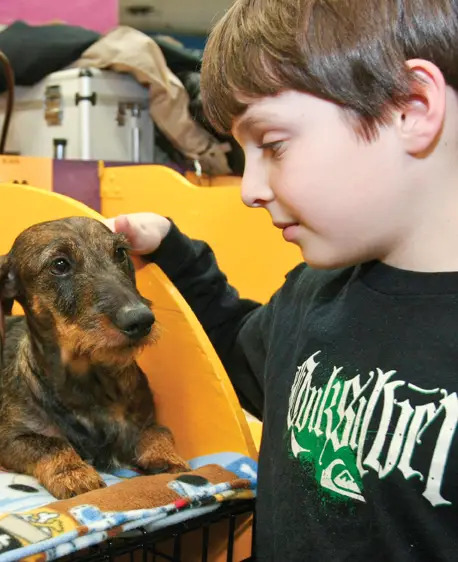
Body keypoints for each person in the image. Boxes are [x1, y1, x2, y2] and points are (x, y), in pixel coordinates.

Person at [106, 0, 458, 559]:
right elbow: (240, 351)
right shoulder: (310, 296)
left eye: (271, 144)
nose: (249, 189)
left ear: (410, 109)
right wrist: (172, 250)